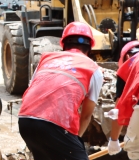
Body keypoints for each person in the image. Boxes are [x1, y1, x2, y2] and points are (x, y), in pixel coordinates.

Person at [18, 21, 103, 160]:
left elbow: (32, 89)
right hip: (54, 125)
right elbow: (86, 116)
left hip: (25, 121)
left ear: (63, 45)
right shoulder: (93, 69)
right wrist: (74, 142)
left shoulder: (46, 59)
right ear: (89, 48)